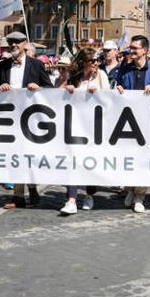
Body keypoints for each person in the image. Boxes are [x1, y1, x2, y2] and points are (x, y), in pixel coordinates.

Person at [0, 34, 53, 209]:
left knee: (29, 155)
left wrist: (39, 88)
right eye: (10, 43)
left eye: (16, 42)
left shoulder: (37, 65)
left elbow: (50, 89)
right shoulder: (3, 65)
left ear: (25, 44)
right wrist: (0, 88)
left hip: (31, 119)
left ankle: (32, 186)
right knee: (15, 155)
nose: (12, 45)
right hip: (10, 118)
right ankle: (18, 195)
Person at [115, 35, 150, 213]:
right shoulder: (125, 69)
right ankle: (131, 188)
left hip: (148, 122)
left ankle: (140, 195)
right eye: (131, 48)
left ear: (145, 50)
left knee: (144, 159)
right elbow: (119, 86)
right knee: (129, 157)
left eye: (135, 48)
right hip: (129, 122)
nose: (131, 51)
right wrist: (119, 89)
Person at [59, 48, 109, 215]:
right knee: (73, 161)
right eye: (93, 61)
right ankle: (72, 199)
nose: (96, 63)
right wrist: (68, 90)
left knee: (89, 162)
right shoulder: (74, 76)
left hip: (95, 127)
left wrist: (98, 94)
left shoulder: (101, 76)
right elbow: (59, 95)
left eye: (97, 61)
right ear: (84, 62)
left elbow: (110, 99)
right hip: (75, 126)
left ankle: (89, 194)